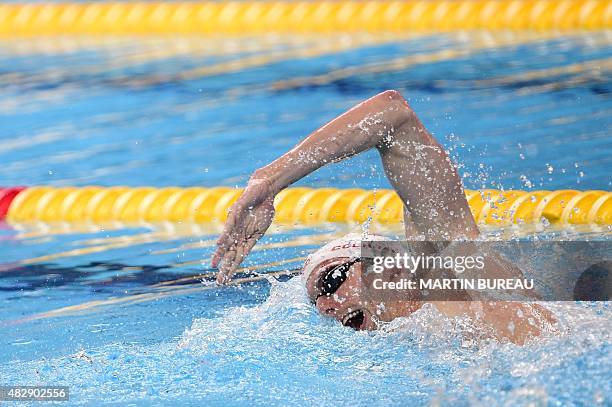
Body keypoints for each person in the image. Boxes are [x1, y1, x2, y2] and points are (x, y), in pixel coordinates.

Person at [212, 90, 556, 345]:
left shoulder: (453, 264)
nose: (327, 306)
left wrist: (269, 180)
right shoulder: (413, 347)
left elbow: (393, 115)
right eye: (319, 299)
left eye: (330, 282)